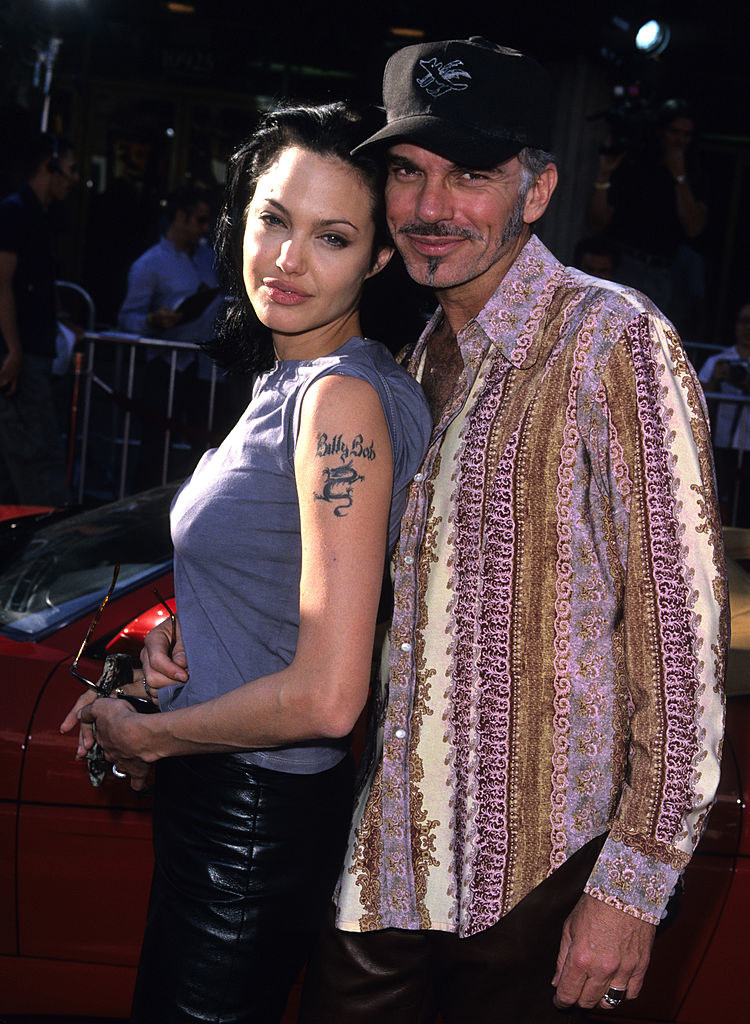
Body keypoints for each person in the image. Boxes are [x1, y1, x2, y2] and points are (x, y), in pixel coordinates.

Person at [297, 38, 728, 1024]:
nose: (431, 206)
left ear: (536, 192)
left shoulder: (611, 340)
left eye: (472, 175)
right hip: (385, 872)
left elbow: (679, 640)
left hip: (540, 884)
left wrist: (631, 887)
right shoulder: (405, 365)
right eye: (409, 171)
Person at [61, 102, 432, 1023]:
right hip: (239, 806)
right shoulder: (312, 379)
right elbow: (294, 580)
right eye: (273, 219)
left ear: (380, 258)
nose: (286, 260)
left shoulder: (339, 402)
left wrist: (143, 734)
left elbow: (326, 696)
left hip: (249, 821)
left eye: (333, 237)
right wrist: (183, 635)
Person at [118, 183, 226, 487]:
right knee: (155, 446)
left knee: (204, 447)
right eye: (201, 220)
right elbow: (127, 318)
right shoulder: (149, 264)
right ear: (181, 217)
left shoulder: (209, 259)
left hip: (205, 368)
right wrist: (154, 320)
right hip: (165, 365)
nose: (206, 229)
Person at [0, 132, 79, 505]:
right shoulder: (16, 212)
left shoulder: (38, 216)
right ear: (49, 168)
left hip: (31, 350)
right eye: (70, 170)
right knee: (37, 461)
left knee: (23, 459)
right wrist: (13, 351)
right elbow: (2, 285)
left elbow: (38, 284)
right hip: (21, 354)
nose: (75, 179)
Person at [587, 98, 708, 339]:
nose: (680, 140)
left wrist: (679, 177)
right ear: (662, 132)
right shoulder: (636, 163)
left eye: (686, 134)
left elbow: (694, 227)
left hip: (665, 273)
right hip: (625, 265)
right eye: (675, 132)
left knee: (650, 344)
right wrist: (604, 173)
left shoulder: (695, 172)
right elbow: (597, 222)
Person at [699, 302, 750, 524]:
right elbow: (698, 396)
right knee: (715, 500)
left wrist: (743, 383)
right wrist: (716, 380)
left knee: (747, 505)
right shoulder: (717, 361)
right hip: (720, 443)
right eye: (744, 321)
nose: (749, 328)